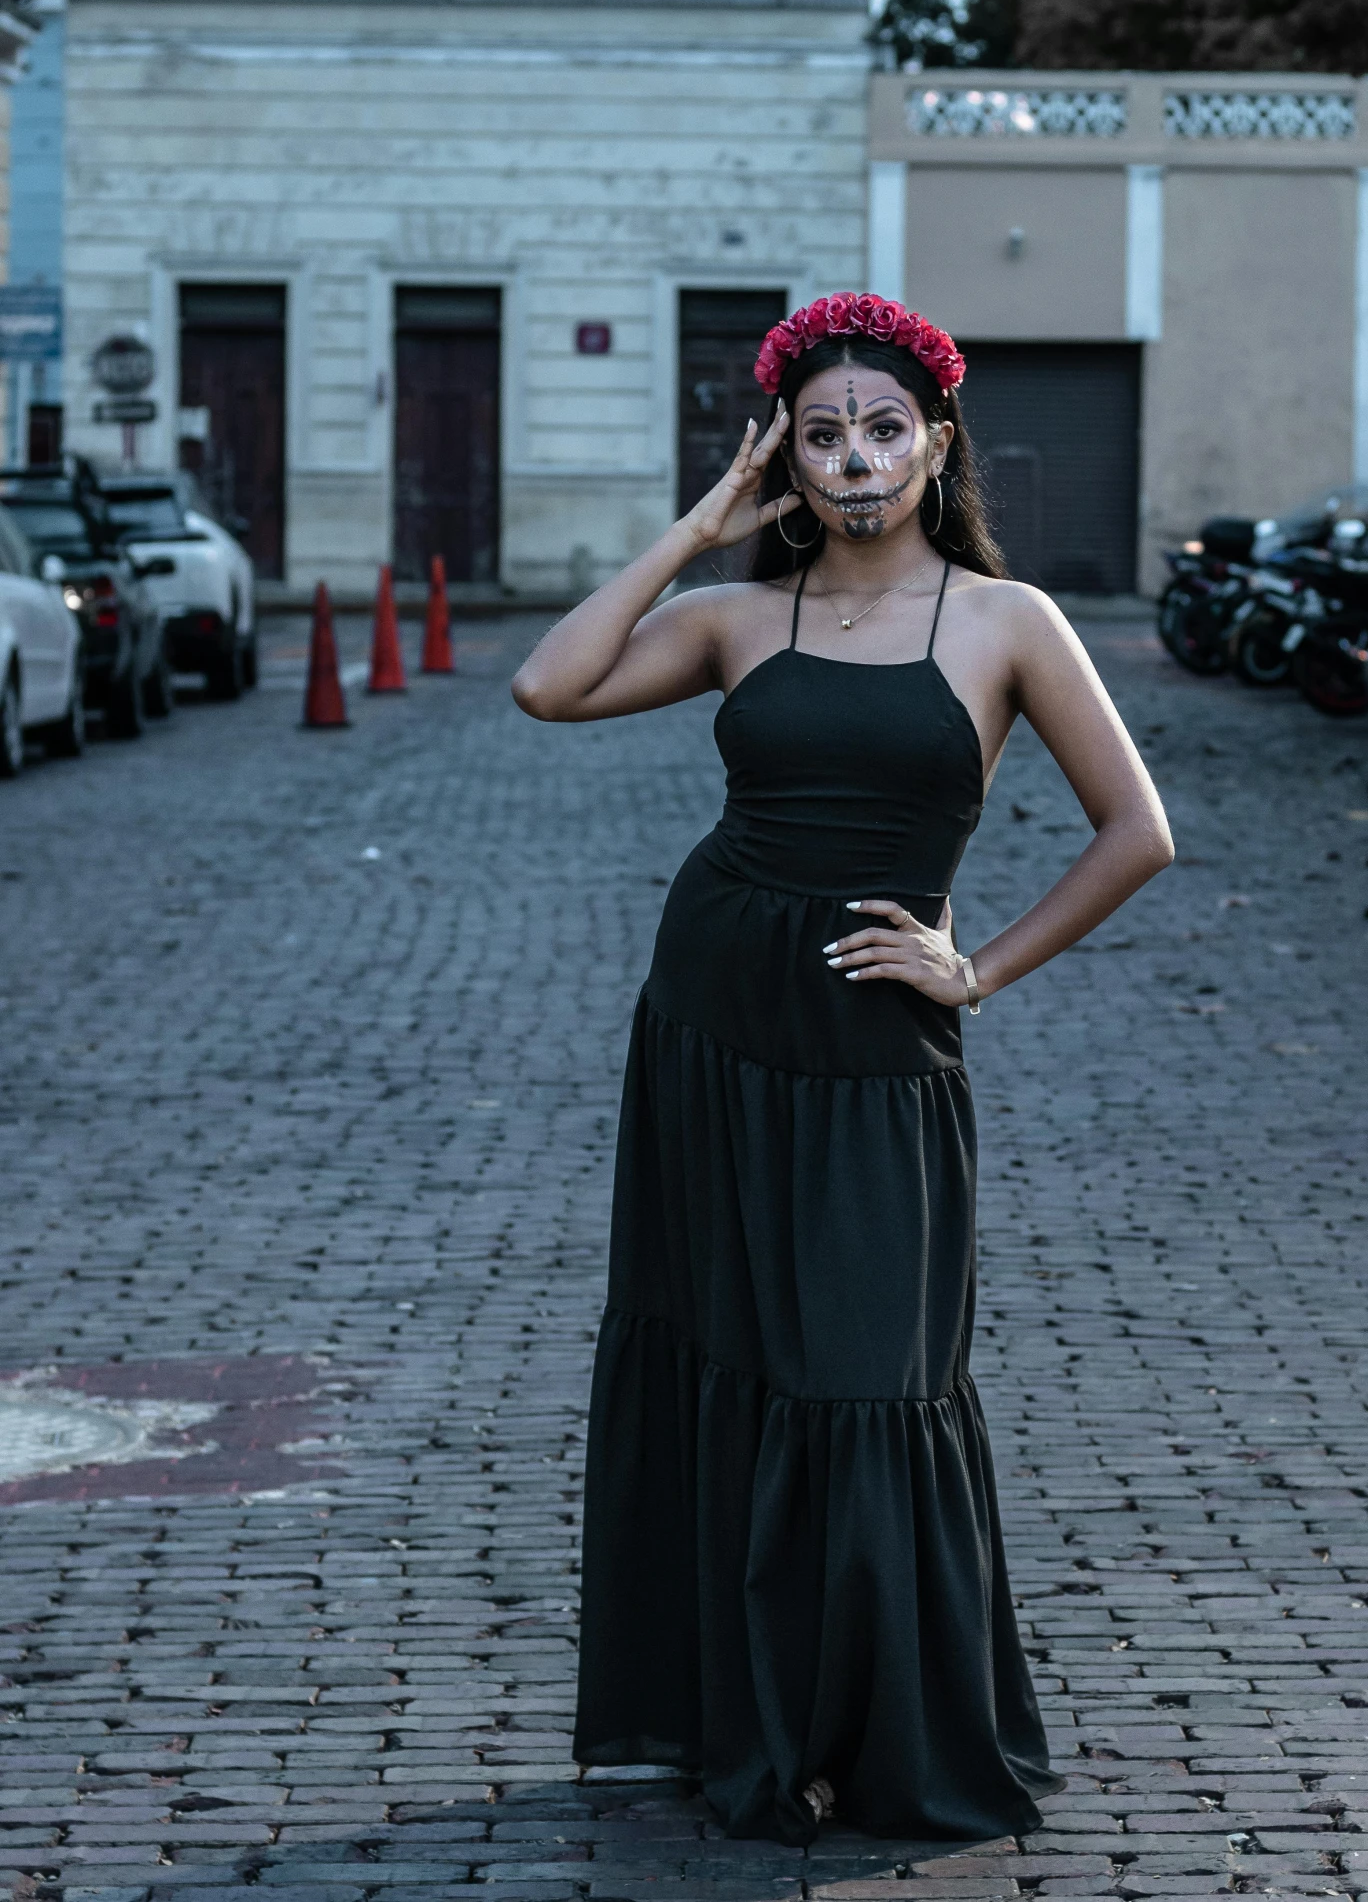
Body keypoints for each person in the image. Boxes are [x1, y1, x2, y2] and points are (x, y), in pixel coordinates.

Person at [513, 293, 1174, 1845]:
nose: (855, 458)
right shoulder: (751, 618)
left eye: (883, 429)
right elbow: (549, 684)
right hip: (714, 1027)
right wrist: (697, 528)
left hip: (882, 1046)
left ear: (937, 445)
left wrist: (979, 968)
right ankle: (761, 1724)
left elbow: (1139, 831)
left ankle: (884, 1734)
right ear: (785, 462)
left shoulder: (1010, 623)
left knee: (872, 1373)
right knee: (730, 1358)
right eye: (821, 436)